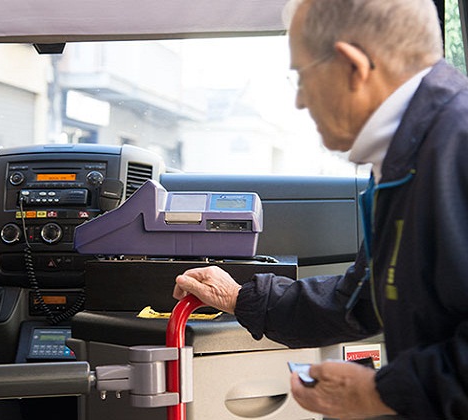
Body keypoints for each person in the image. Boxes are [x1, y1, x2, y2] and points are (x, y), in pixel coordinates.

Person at [173, 0, 468, 418]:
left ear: (352, 66)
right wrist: (241, 298)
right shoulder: (403, 158)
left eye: (302, 76)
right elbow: (360, 300)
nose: (299, 100)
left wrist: (381, 393)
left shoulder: (456, 146)